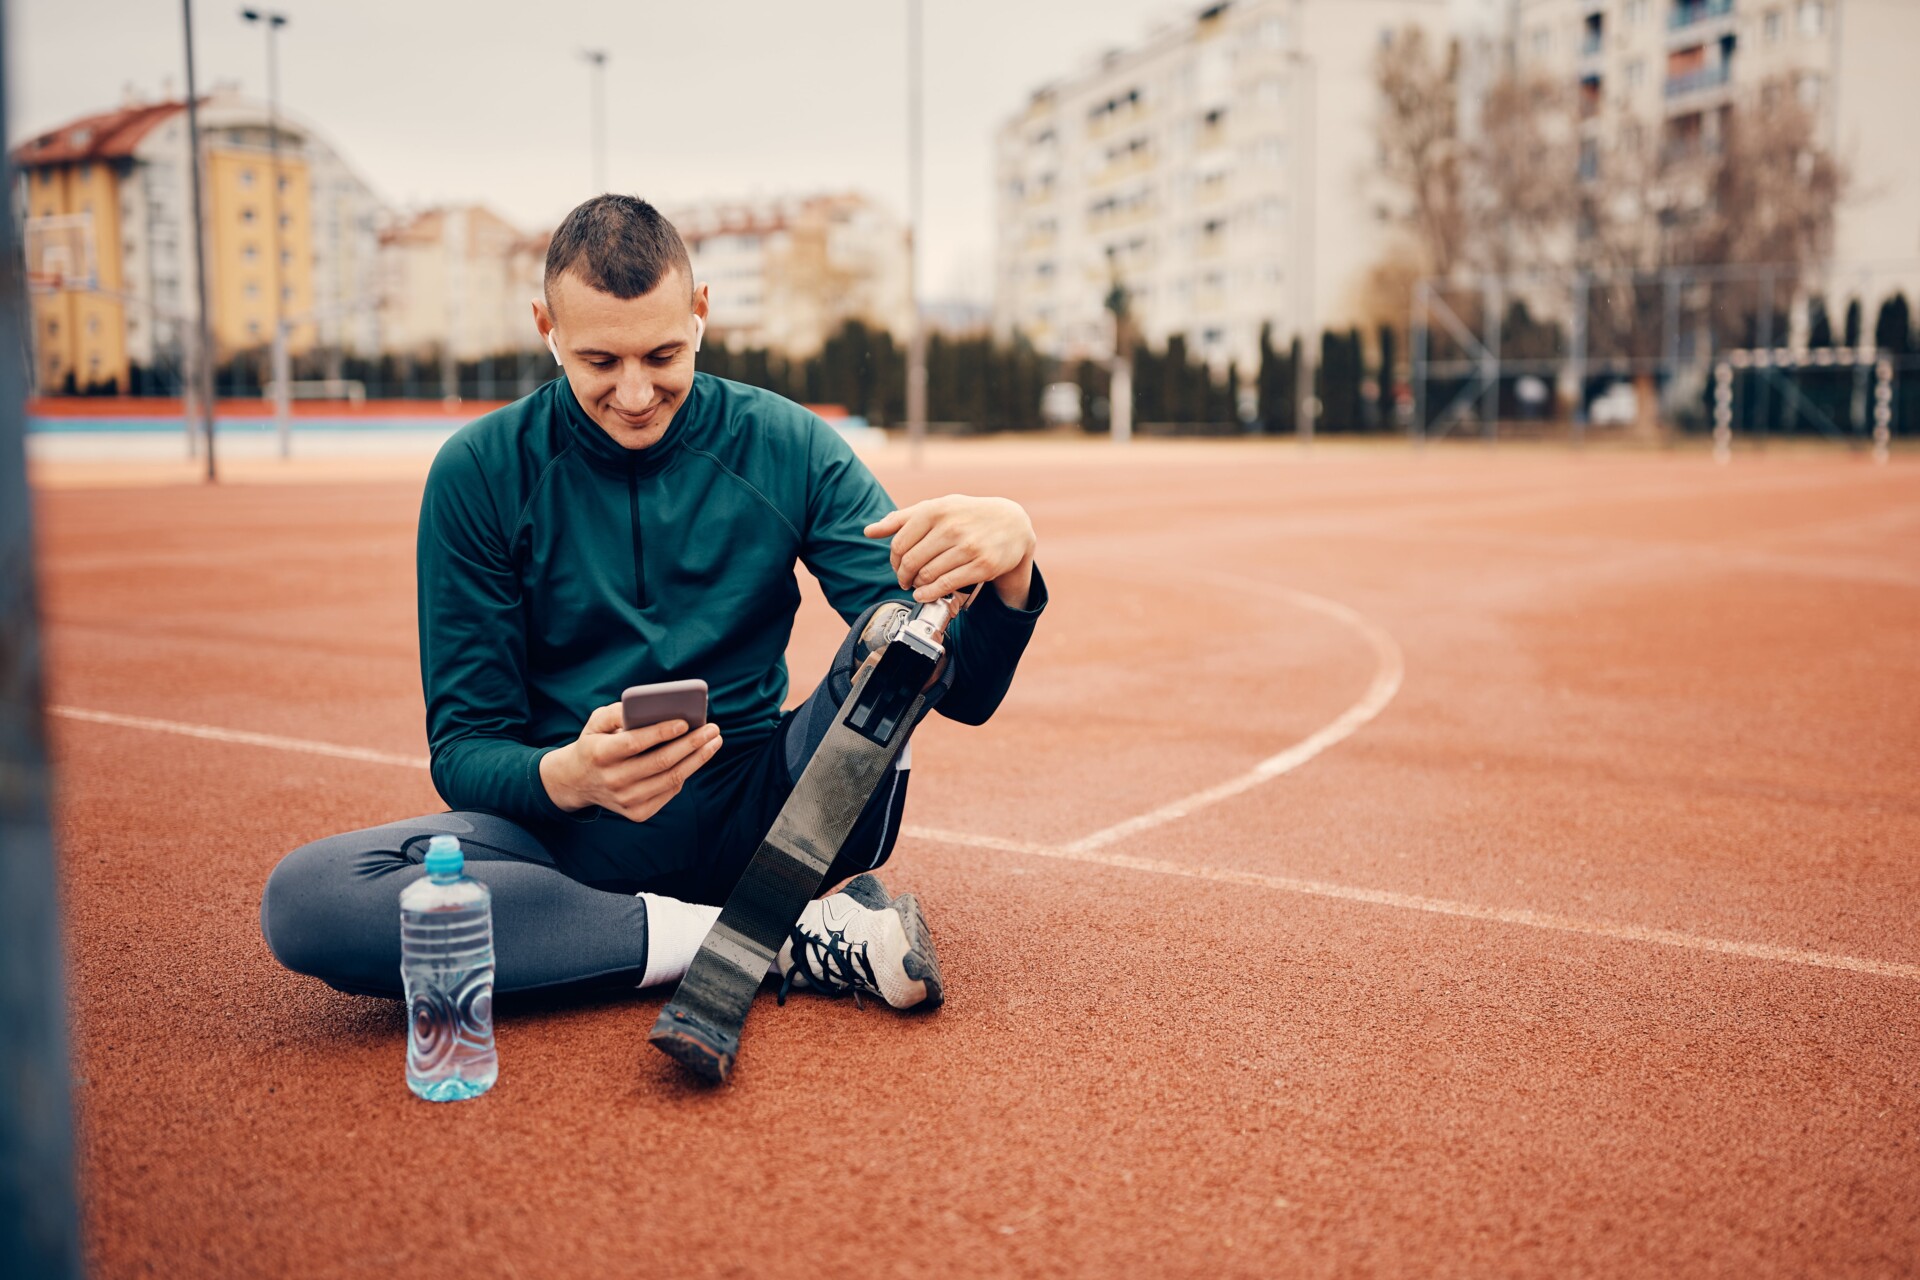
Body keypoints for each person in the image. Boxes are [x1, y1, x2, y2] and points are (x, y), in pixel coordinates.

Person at [258, 195, 1045, 1012]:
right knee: (309, 899)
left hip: (772, 820)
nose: (635, 394)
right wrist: (566, 776)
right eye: (600, 361)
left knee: (893, 640)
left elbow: (962, 691)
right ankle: (779, 939)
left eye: (663, 354)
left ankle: (716, 920)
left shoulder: (788, 444)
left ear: (701, 314)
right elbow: (464, 747)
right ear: (547, 328)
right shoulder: (479, 474)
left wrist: (1014, 561)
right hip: (560, 848)